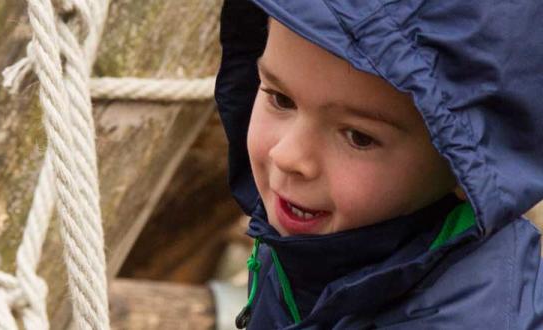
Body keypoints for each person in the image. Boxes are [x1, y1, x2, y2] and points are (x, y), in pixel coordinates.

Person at [215, 0, 543, 329]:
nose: (286, 156)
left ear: (463, 169)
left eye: (358, 137)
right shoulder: (314, 236)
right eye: (280, 99)